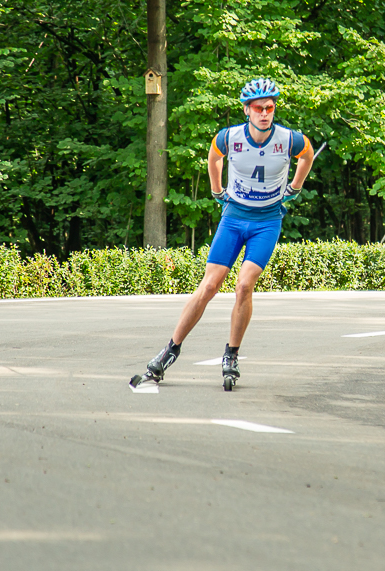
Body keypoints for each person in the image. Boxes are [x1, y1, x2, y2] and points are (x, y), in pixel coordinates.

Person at [130, 78, 315, 391]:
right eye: (258, 108)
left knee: (244, 285)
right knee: (210, 285)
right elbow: (214, 157)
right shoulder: (229, 137)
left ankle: (231, 355)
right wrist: (217, 190)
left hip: (267, 221)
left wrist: (295, 187)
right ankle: (170, 350)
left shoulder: (289, 139)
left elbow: (307, 156)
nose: (265, 113)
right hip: (233, 218)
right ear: (247, 110)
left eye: (270, 108)